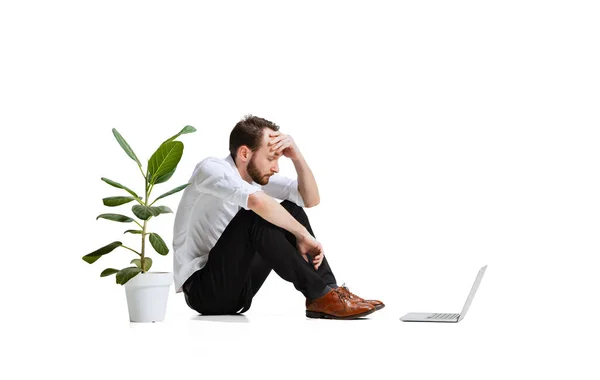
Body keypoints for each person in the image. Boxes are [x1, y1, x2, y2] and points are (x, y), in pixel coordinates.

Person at [172, 115, 384, 319]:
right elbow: (257, 202)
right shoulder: (211, 169)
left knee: (292, 210)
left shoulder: (255, 178)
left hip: (240, 288)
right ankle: (319, 293)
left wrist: (297, 156)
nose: (276, 167)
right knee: (255, 216)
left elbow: (310, 199)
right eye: (271, 158)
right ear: (245, 153)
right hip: (204, 291)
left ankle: (329, 292)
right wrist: (302, 235)